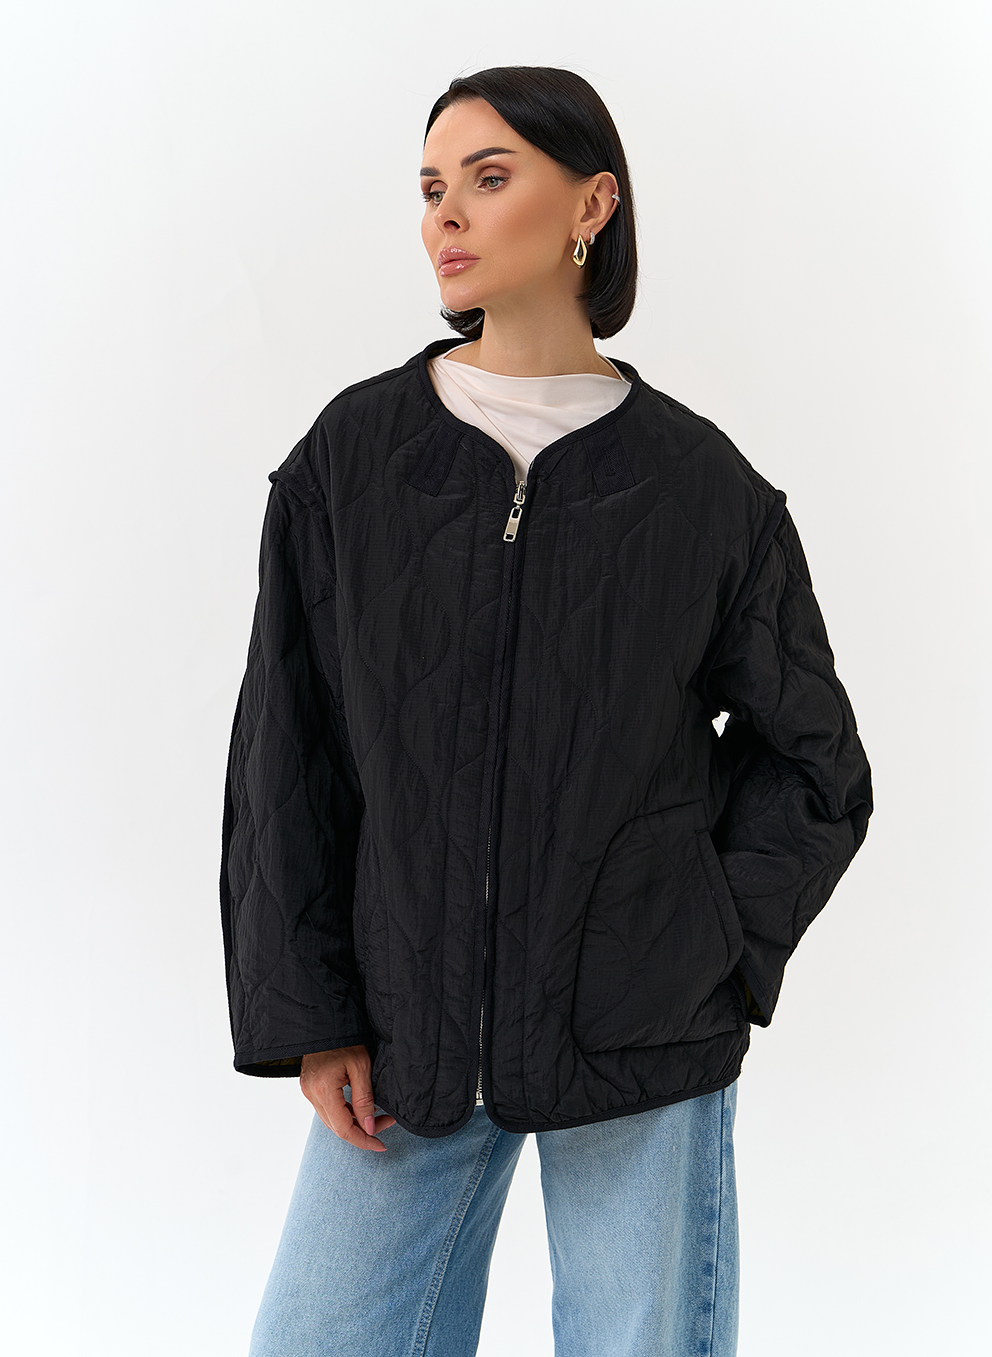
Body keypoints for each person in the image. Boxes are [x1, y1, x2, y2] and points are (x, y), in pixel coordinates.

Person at [219, 65, 872, 1357]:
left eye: (489, 176)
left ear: (592, 205)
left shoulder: (703, 488)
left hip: (642, 1030)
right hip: (405, 1028)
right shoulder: (354, 460)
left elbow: (816, 765)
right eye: (430, 188)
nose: (446, 216)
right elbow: (287, 752)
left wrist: (708, 947)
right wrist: (314, 1014)